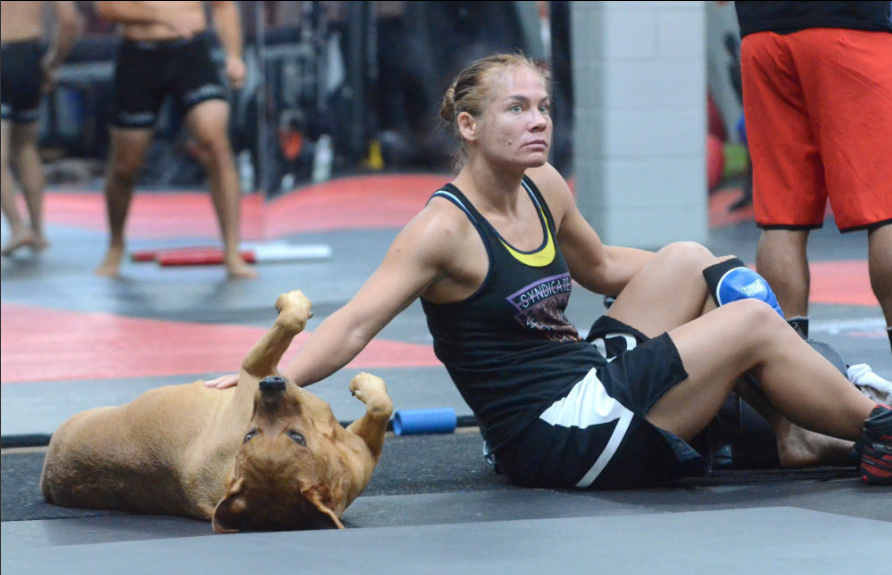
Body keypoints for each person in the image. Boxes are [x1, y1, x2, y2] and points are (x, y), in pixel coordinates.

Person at [207, 53, 891, 487]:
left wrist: (715, 274)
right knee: (746, 322)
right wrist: (260, 382)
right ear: (469, 127)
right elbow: (355, 324)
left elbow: (602, 266)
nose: (538, 122)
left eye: (542, 107)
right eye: (517, 108)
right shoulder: (442, 229)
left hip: (586, 377)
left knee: (690, 258)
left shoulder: (544, 186)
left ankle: (796, 429)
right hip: (552, 432)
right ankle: (875, 427)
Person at [733, 1, 892, 351]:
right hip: (849, 28)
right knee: (886, 210)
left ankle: (788, 377)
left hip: (762, 36)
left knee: (781, 220)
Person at [93, 1, 257, 279]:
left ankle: (232, 250)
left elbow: (223, 5)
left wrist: (233, 55)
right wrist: (161, 15)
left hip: (189, 52)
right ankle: (116, 244)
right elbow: (107, 8)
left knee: (216, 143)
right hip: (138, 55)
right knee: (125, 166)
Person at [1, 1, 78, 256]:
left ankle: (18, 228)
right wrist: (52, 62)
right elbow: (69, 20)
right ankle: (38, 231)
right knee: (25, 148)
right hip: (29, 55)